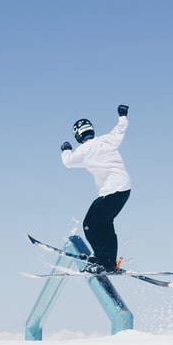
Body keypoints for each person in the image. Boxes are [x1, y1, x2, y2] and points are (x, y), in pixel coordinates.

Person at [60, 104, 131, 273]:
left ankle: (105, 261)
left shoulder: (83, 150)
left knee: (90, 225)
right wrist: (122, 115)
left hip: (112, 191)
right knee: (105, 224)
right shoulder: (107, 140)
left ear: (78, 135)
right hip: (125, 189)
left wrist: (65, 149)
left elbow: (68, 162)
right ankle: (107, 259)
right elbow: (120, 129)